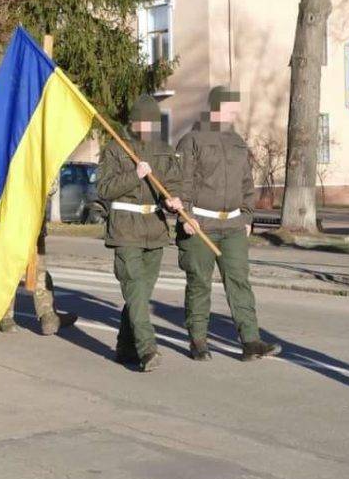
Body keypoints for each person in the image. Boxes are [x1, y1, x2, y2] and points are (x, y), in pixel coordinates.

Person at [176, 86, 281, 362]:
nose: (234, 112)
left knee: (239, 282)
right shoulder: (193, 140)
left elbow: (247, 182)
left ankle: (250, 341)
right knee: (199, 283)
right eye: (230, 107)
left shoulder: (236, 141)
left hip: (233, 225)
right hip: (200, 224)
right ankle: (198, 340)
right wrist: (184, 216)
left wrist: (247, 216)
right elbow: (182, 182)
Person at [97, 95, 183, 372]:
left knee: (140, 295)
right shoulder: (115, 148)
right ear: (133, 121)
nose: (148, 128)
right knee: (134, 288)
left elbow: (172, 184)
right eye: (144, 122)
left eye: (153, 123)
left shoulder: (163, 149)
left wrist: (174, 201)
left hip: (155, 229)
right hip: (125, 229)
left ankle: (124, 346)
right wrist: (135, 174)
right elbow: (104, 189)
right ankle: (147, 349)